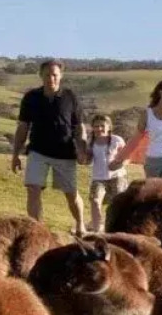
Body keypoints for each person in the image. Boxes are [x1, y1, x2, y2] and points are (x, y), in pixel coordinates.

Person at [11, 59, 87, 235]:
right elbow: (23, 126)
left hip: (65, 153)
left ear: (60, 76)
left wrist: (82, 149)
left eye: (54, 75)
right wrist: (15, 154)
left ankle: (80, 224)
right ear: (41, 75)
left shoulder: (71, 97)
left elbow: (79, 127)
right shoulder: (31, 98)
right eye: (47, 75)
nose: (51, 78)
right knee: (33, 189)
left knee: (71, 193)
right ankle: (37, 229)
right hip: (38, 151)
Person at [86, 114, 127, 232]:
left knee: (117, 203)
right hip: (98, 178)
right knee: (94, 200)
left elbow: (127, 157)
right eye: (96, 126)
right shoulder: (91, 142)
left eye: (102, 126)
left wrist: (120, 164)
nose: (99, 129)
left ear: (109, 127)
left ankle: (117, 228)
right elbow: (87, 160)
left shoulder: (117, 140)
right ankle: (96, 229)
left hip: (117, 176)